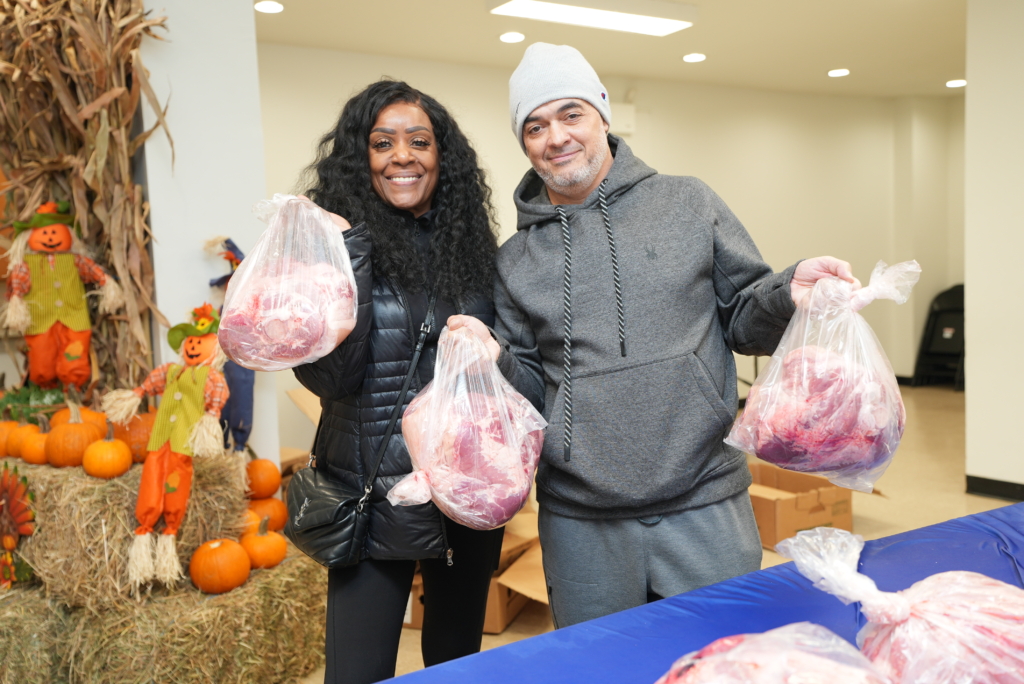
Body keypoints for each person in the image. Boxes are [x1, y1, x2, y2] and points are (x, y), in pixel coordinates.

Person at [456, 43, 861, 629]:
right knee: (603, 666)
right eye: (535, 126)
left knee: (726, 656)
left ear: (602, 116)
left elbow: (743, 317)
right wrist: (496, 360)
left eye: (571, 114)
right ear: (524, 143)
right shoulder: (515, 259)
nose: (557, 137)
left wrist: (786, 292)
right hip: (581, 521)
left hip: (705, 500)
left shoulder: (689, 202)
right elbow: (531, 396)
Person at [295, 81, 503, 684]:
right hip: (372, 489)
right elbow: (331, 378)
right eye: (382, 143)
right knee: (357, 672)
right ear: (359, 157)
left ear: (443, 155)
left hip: (465, 487)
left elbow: (502, 363)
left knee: (456, 663)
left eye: (419, 141)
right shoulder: (331, 246)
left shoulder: (473, 247)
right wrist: (351, 253)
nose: (402, 156)